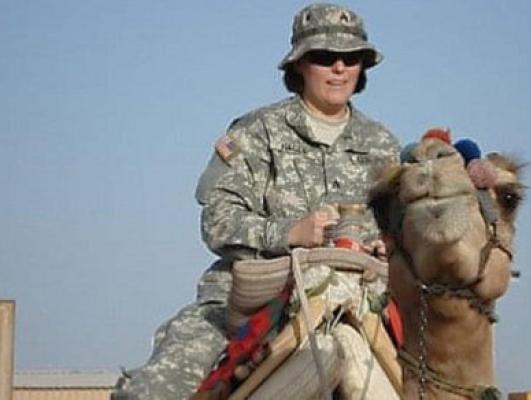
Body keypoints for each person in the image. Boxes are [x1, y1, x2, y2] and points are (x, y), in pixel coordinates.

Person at [112, 3, 400, 400]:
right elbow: (218, 220)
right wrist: (289, 233)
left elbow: (401, 228)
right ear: (299, 64)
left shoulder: (383, 145)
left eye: (350, 58)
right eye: (324, 56)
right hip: (253, 300)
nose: (339, 68)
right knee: (156, 389)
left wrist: (390, 246)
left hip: (360, 299)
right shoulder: (255, 132)